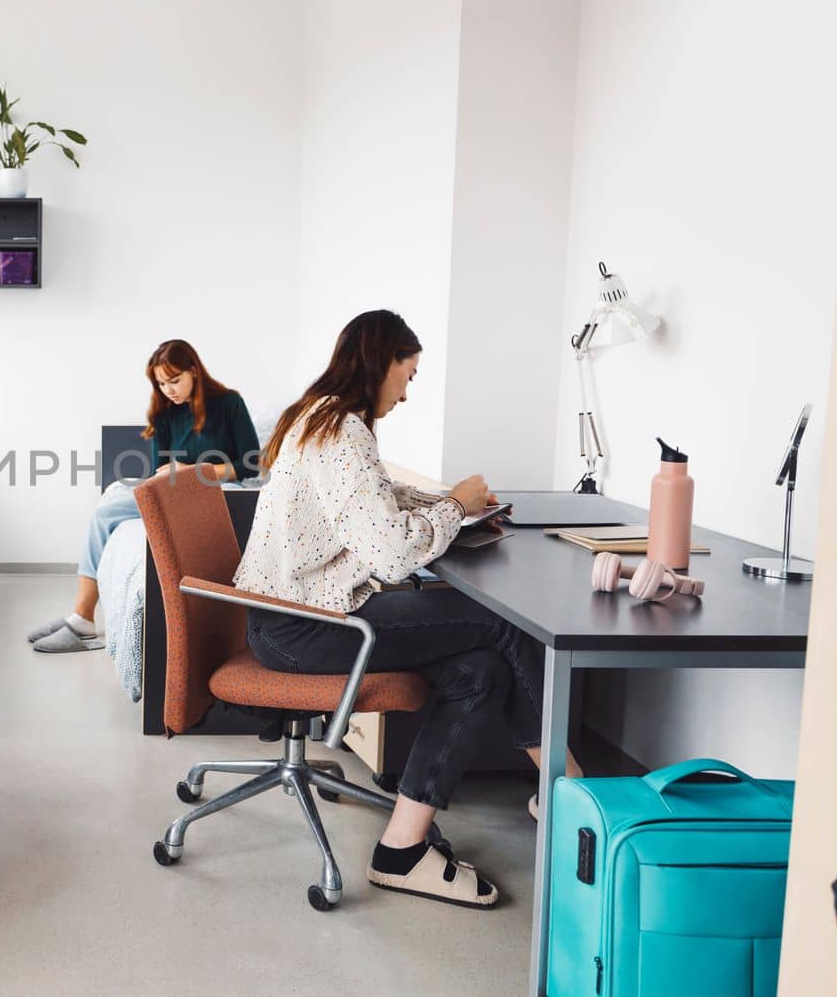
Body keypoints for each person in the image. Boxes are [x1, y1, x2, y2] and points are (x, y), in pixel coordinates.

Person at [233, 309, 582, 908]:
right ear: (381, 362)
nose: (408, 390)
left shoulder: (321, 419)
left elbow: (375, 497)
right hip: (307, 627)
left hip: (301, 618)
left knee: (481, 674)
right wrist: (452, 511)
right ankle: (571, 796)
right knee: (501, 624)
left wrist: (451, 501)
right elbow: (393, 555)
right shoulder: (341, 431)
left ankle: (402, 850)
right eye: (409, 373)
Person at [28, 339, 260, 653]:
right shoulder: (164, 414)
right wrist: (169, 475)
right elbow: (161, 468)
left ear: (194, 371)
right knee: (109, 506)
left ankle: (80, 623)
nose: (169, 390)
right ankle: (82, 617)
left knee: (209, 491)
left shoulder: (229, 403)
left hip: (220, 488)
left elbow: (250, 464)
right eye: (162, 384)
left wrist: (199, 471)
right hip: (176, 487)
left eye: (175, 381)